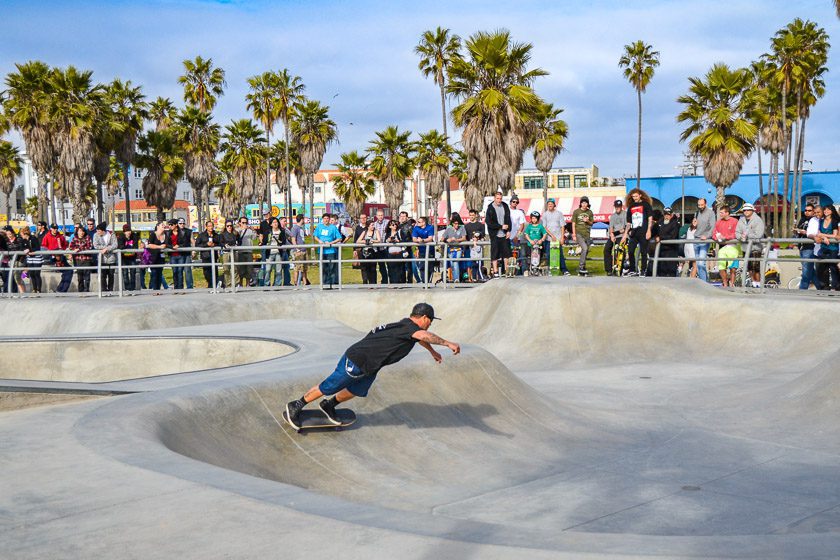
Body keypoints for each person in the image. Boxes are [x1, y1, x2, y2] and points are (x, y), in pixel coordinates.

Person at [284, 303, 461, 428]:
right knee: (330, 386)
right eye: (430, 321)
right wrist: (447, 344)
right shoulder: (409, 327)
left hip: (371, 366)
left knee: (356, 390)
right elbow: (423, 335)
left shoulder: (406, 328)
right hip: (357, 360)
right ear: (423, 318)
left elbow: (419, 338)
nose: (431, 324)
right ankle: (296, 405)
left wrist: (432, 352)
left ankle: (329, 405)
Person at [622, 188, 654, 276]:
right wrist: (625, 234)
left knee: (644, 252)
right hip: (634, 232)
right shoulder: (631, 207)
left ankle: (643, 270)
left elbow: (650, 218)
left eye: (636, 196)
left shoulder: (646, 205)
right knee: (631, 251)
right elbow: (628, 222)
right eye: (633, 197)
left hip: (643, 231)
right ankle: (632, 269)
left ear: (640, 195)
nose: (635, 198)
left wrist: (648, 231)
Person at [735, 203, 765, 288]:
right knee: (749, 268)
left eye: (748, 210)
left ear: (752, 210)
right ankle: (753, 283)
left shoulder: (758, 220)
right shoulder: (741, 220)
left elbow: (758, 235)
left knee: (755, 267)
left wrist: (747, 236)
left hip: (755, 248)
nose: (746, 211)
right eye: (744, 210)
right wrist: (741, 237)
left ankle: (758, 284)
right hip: (745, 248)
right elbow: (737, 232)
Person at [485, 192, 512, 277]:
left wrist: (508, 230)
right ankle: (495, 272)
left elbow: (508, 219)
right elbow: (489, 223)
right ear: (494, 198)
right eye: (497, 198)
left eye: (500, 198)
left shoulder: (505, 206)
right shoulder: (490, 208)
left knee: (506, 253)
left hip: (504, 234)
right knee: (495, 253)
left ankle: (506, 271)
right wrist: (500, 226)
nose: (499, 200)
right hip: (495, 234)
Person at [541, 199, 569, 276]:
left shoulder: (559, 214)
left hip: (558, 238)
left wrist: (562, 237)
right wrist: (551, 235)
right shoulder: (545, 214)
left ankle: (564, 270)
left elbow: (562, 226)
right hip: (549, 238)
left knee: (560, 254)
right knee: (549, 254)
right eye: (548, 204)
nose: (550, 205)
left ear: (554, 205)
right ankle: (551, 269)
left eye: (551, 204)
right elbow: (544, 227)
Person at [713, 205, 739, 287]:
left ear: (727, 213)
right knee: (721, 267)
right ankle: (725, 283)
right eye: (720, 212)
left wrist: (726, 237)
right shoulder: (718, 222)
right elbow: (714, 233)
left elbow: (736, 233)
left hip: (733, 246)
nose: (720, 214)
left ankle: (732, 283)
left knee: (733, 267)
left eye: (722, 212)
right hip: (722, 246)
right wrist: (717, 238)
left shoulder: (735, 221)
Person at [815, 204, 839, 291]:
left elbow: (835, 235)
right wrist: (824, 238)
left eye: (828, 210)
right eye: (825, 210)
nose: (826, 211)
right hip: (824, 247)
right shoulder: (821, 221)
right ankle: (824, 286)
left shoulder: (834, 221)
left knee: (833, 267)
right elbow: (818, 233)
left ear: (832, 211)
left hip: (833, 248)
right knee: (822, 266)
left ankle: (834, 286)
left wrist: (823, 235)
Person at [314, 213, 342, 287]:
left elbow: (339, 238)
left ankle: (332, 284)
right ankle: (325, 283)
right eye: (324, 218)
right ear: (322, 219)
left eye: (327, 218)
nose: (326, 220)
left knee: (331, 267)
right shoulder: (319, 227)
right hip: (322, 251)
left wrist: (331, 243)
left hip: (331, 251)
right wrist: (319, 241)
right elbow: (315, 236)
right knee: (323, 268)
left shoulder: (333, 227)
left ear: (329, 219)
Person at [41, 223, 72, 292]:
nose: (55, 230)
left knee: (69, 271)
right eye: (54, 228)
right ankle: (60, 289)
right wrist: (52, 253)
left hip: (61, 256)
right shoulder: (47, 236)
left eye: (56, 228)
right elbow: (44, 247)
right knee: (66, 270)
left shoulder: (60, 236)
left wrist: (61, 251)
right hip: (52, 257)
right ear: (51, 229)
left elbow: (64, 245)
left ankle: (62, 289)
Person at [794, 204, 817, 290]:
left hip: (809, 247)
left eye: (809, 210)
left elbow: (814, 232)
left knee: (806, 271)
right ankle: (821, 287)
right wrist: (797, 232)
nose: (807, 212)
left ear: (813, 211)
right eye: (806, 210)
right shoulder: (802, 219)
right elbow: (799, 230)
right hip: (802, 247)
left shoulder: (814, 220)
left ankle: (802, 289)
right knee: (811, 271)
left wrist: (805, 232)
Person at [195, 220, 222, 289]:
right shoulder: (201, 235)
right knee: (206, 273)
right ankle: (211, 285)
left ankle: (213, 286)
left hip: (214, 256)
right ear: (206, 227)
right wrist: (206, 244)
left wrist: (214, 244)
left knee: (214, 272)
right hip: (205, 256)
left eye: (212, 226)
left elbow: (220, 243)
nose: (211, 228)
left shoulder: (216, 235)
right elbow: (197, 245)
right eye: (209, 226)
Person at [571, 196, 594, 276]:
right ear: (580, 204)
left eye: (585, 203)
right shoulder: (576, 212)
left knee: (586, 250)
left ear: (587, 204)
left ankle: (583, 268)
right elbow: (573, 224)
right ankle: (581, 267)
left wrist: (587, 221)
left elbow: (592, 223)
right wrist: (574, 234)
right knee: (584, 248)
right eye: (582, 203)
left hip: (587, 234)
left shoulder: (590, 212)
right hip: (578, 233)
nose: (584, 204)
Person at [261, 217, 288, 287]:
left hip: (278, 253)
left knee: (278, 270)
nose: (275, 223)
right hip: (269, 253)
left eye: (276, 222)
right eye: (274, 222)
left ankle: (277, 284)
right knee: (268, 270)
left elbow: (284, 241)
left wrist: (280, 242)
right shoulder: (268, 232)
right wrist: (261, 243)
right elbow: (264, 241)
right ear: (271, 224)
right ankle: (266, 284)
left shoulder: (281, 231)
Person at [694, 198, 715, 282]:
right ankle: (704, 281)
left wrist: (707, 236)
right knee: (698, 265)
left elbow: (713, 226)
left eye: (702, 205)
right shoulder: (697, 212)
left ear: (705, 204)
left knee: (701, 263)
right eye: (699, 205)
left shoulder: (711, 213)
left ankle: (704, 282)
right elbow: (694, 226)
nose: (700, 206)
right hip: (695, 239)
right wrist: (693, 225)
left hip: (704, 241)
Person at [92, 222, 118, 292]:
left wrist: (106, 249)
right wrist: (105, 248)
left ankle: (110, 290)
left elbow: (115, 245)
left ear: (103, 230)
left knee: (111, 275)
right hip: (102, 259)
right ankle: (103, 290)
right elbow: (96, 245)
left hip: (111, 259)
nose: (97, 232)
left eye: (99, 231)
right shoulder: (96, 235)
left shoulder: (111, 234)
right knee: (102, 275)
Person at [441, 213, 467, 282]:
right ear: (452, 223)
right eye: (455, 223)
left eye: (457, 223)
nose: (456, 225)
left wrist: (456, 240)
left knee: (455, 262)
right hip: (450, 249)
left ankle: (456, 279)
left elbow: (464, 238)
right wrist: (447, 240)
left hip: (458, 249)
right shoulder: (449, 229)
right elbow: (442, 239)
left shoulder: (462, 228)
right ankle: (455, 278)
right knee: (452, 264)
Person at [604, 199, 627, 276]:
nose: (618, 208)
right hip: (614, 235)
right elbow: (611, 227)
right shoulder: (613, 216)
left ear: (621, 207)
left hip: (622, 236)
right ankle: (609, 270)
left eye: (619, 207)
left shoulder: (625, 214)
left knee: (620, 250)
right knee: (606, 249)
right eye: (616, 207)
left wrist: (623, 234)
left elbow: (625, 228)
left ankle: (620, 269)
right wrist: (612, 235)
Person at [656, 208, 680, 277]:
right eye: (665, 214)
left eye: (668, 215)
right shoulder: (660, 222)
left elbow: (673, 236)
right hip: (662, 250)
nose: (666, 216)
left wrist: (661, 238)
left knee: (671, 271)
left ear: (672, 215)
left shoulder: (675, 223)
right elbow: (655, 231)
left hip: (671, 250)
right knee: (661, 271)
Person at [146, 221, 169, 292]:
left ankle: (158, 289)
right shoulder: (153, 234)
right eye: (162, 225)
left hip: (161, 257)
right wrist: (159, 246)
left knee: (159, 273)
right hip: (153, 257)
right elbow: (149, 245)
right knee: (154, 273)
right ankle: (154, 290)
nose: (164, 226)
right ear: (158, 226)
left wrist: (165, 246)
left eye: (164, 225)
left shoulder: (166, 235)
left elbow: (167, 244)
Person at [356, 219, 381, 285]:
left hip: (373, 252)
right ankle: (365, 282)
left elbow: (379, 240)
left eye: (373, 225)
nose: (373, 226)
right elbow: (358, 241)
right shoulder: (365, 232)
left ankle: (373, 283)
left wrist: (372, 241)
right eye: (372, 225)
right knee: (365, 268)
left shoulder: (376, 231)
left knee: (373, 268)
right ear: (368, 226)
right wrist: (364, 241)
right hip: (365, 252)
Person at [118, 224, 142, 291]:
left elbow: (135, 247)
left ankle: (132, 288)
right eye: (127, 231)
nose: (129, 232)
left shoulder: (134, 236)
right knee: (125, 273)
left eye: (129, 230)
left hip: (132, 257)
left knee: (133, 272)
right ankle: (127, 288)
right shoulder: (121, 237)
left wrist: (127, 248)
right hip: (124, 258)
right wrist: (128, 247)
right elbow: (120, 247)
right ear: (124, 232)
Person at [411, 216, 435, 283]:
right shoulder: (416, 228)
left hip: (430, 250)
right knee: (422, 267)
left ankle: (429, 282)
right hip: (421, 251)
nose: (417, 223)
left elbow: (430, 238)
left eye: (419, 222)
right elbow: (414, 239)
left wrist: (423, 240)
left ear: (424, 222)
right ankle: (424, 282)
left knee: (430, 267)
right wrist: (418, 241)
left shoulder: (430, 227)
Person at [69, 226, 93, 292]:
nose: (81, 233)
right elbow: (71, 247)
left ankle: (86, 290)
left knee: (87, 277)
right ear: (77, 232)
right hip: (78, 259)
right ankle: (80, 291)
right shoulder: (74, 238)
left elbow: (89, 246)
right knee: (80, 277)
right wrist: (75, 250)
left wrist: (79, 249)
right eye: (80, 231)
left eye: (83, 231)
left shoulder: (87, 238)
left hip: (86, 259)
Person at [19, 227, 43, 293]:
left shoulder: (33, 238)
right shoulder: (23, 240)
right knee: (31, 274)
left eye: (21, 234)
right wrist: (24, 250)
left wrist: (29, 250)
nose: (21, 236)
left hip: (37, 257)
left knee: (36, 273)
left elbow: (37, 247)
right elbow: (21, 247)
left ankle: (38, 289)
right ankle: (34, 289)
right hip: (30, 258)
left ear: (25, 234)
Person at [235, 217, 257, 287]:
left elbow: (254, 238)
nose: (245, 224)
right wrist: (241, 229)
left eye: (246, 223)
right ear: (239, 223)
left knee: (249, 269)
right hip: (240, 252)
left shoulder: (250, 231)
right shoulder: (237, 230)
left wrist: (253, 230)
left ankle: (248, 284)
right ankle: (240, 284)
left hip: (249, 252)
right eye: (243, 222)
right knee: (241, 269)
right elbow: (234, 237)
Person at [508, 196, 527, 275]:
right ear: (510, 202)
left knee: (517, 256)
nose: (515, 203)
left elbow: (522, 225)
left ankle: (518, 272)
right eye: (513, 202)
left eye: (517, 202)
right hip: (507, 237)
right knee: (507, 256)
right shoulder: (506, 211)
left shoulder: (519, 212)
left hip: (516, 238)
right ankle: (506, 271)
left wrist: (517, 236)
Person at [290, 214, 310, 286]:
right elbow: (293, 239)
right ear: (301, 219)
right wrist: (297, 249)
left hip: (304, 250)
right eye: (303, 219)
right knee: (297, 268)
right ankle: (296, 283)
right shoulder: (295, 228)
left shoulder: (301, 228)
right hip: (298, 251)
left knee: (304, 269)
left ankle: (305, 283)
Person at [219, 219, 239, 288]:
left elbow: (239, 241)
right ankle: (228, 284)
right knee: (226, 269)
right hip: (226, 253)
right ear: (225, 226)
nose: (229, 227)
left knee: (235, 268)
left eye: (230, 226)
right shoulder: (222, 234)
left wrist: (236, 244)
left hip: (234, 252)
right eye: (228, 226)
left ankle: (236, 284)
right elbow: (221, 242)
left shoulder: (235, 233)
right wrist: (225, 245)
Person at [385, 220, 406, 284]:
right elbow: (384, 243)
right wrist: (388, 240)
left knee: (400, 269)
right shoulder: (388, 234)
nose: (395, 226)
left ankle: (400, 283)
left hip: (398, 253)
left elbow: (405, 242)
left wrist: (398, 241)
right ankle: (392, 283)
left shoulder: (400, 232)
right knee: (391, 269)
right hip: (390, 254)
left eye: (396, 224)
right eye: (393, 225)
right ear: (389, 226)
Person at [372, 209, 390, 284]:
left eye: (381, 215)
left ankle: (392, 281)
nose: (380, 217)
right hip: (379, 248)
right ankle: (384, 281)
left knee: (389, 264)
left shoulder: (388, 222)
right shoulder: (374, 224)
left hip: (387, 247)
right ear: (376, 216)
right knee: (381, 265)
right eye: (379, 215)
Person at [177, 218, 194, 289]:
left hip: (187, 253)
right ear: (177, 224)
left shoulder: (189, 231)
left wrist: (193, 250)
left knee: (187, 270)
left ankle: (189, 286)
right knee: (179, 270)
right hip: (178, 254)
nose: (182, 225)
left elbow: (192, 241)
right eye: (180, 223)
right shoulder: (175, 231)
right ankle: (179, 287)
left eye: (183, 223)